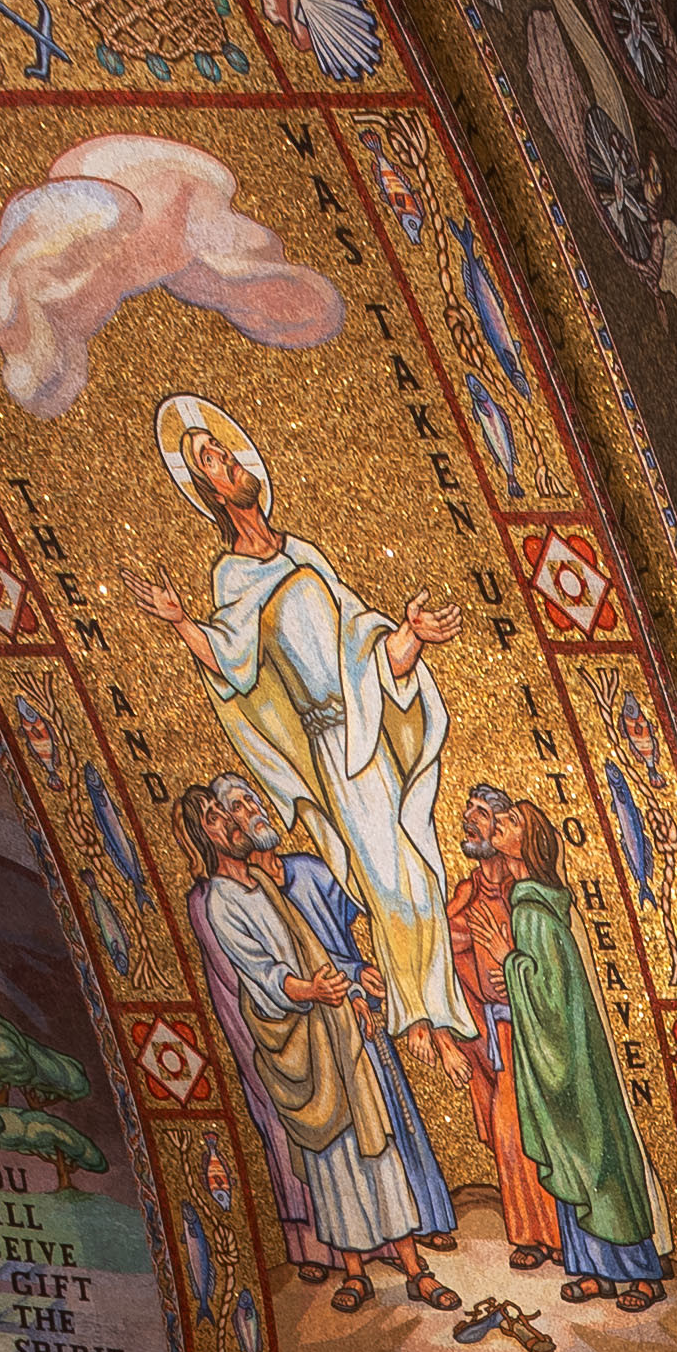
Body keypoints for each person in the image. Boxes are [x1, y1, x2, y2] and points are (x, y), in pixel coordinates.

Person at [134, 394, 471, 1048]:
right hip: (331, 743)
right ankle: (415, 1019)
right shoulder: (233, 574)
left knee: (423, 873)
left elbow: (363, 646)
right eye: (212, 460)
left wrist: (414, 636)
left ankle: (441, 1009)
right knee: (386, 881)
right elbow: (231, 663)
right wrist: (181, 622)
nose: (228, 461)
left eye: (226, 452)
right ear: (208, 489)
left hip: (369, 717)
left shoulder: (303, 552)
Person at [185, 774, 460, 1319]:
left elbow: (316, 945)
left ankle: (414, 1271)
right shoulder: (220, 901)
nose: (232, 822)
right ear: (204, 836)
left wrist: (349, 984)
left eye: (231, 812)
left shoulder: (265, 884)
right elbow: (260, 973)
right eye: (217, 817)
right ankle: (354, 1272)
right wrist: (308, 990)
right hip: (296, 1042)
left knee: (372, 1145)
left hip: (332, 1027)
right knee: (330, 1161)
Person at [452, 784, 664, 1312]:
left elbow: (550, 992)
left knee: (597, 1161)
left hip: (570, 1062)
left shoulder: (534, 909)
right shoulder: (523, 900)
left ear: (531, 840)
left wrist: (508, 961)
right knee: (571, 1162)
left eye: (508, 821)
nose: (496, 827)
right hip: (546, 1057)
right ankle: (593, 1269)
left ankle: (641, 1275)